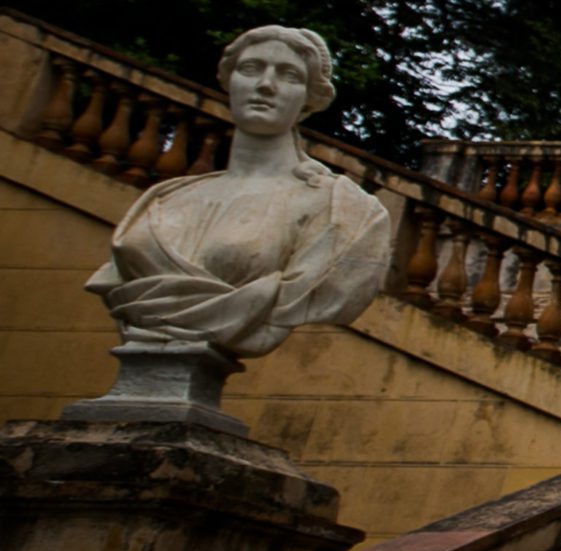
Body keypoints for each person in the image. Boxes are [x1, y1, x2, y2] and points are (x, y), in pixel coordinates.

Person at [85, 25, 392, 360]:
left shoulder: (343, 210)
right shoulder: (165, 198)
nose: (265, 84)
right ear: (229, 82)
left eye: (289, 75)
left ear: (310, 99)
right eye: (250, 69)